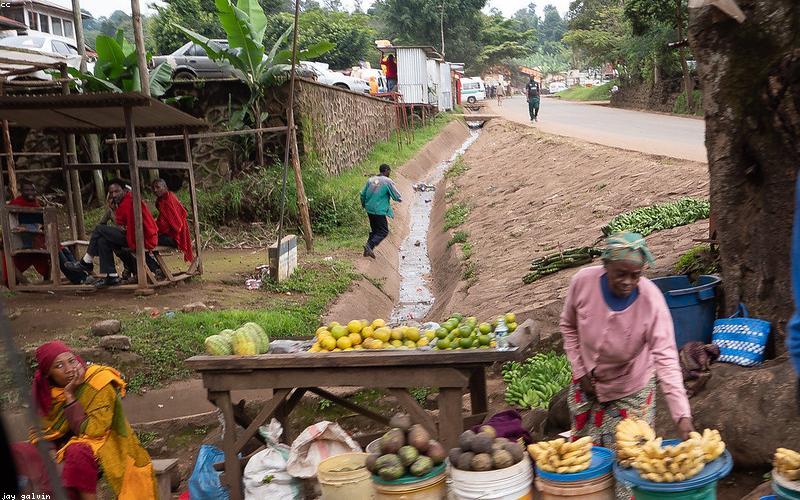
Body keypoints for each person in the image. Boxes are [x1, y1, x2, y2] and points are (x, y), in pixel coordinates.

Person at [560, 233, 694, 497]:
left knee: (630, 466)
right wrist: (580, 370)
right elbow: (568, 326)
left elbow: (666, 359)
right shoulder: (583, 283)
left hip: (630, 390)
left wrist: (682, 416)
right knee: (585, 463)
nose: (628, 282)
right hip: (586, 387)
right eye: (621, 273)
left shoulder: (651, 301)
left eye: (636, 275)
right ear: (605, 265)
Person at [12, 341, 156, 499]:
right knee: (18, 451)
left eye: (71, 361)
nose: (70, 369)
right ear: (48, 375)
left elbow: (95, 430)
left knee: (76, 451)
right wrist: (51, 453)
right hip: (61, 454)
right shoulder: (46, 394)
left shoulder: (98, 381)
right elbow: (40, 432)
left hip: (105, 446)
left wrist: (70, 397)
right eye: (59, 366)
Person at [65, 179, 158, 288]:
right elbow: (120, 223)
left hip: (139, 238)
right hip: (130, 235)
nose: (114, 195)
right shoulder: (119, 204)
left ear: (124, 190)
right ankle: (112, 276)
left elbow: (131, 225)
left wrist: (122, 228)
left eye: (116, 191)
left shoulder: (130, 200)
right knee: (102, 240)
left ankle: (86, 261)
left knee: (99, 229)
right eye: (111, 192)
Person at [2, 180, 87, 285]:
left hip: (40, 237)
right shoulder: (16, 204)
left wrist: (38, 227)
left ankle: (82, 275)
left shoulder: (36, 203)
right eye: (27, 190)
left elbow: (43, 223)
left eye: (32, 190)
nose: (30, 192)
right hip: (26, 240)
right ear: (21, 191)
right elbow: (16, 227)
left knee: (65, 251)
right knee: (56, 251)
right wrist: (34, 227)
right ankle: (78, 278)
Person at [360, 164, 401, 259]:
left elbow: (362, 194)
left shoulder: (370, 180)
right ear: (386, 170)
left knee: (375, 230)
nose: (389, 173)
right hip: (379, 210)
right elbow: (396, 195)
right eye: (389, 171)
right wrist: (399, 199)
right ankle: (369, 245)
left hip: (369, 209)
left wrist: (363, 205)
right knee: (383, 231)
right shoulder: (387, 181)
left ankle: (367, 251)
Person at [152, 179, 194, 263]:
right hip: (173, 235)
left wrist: (153, 226)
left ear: (165, 187)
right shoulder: (163, 199)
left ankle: (155, 268)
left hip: (176, 238)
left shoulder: (168, 200)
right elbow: (164, 219)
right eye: (153, 188)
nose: (155, 190)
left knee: (147, 238)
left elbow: (175, 225)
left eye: (157, 187)